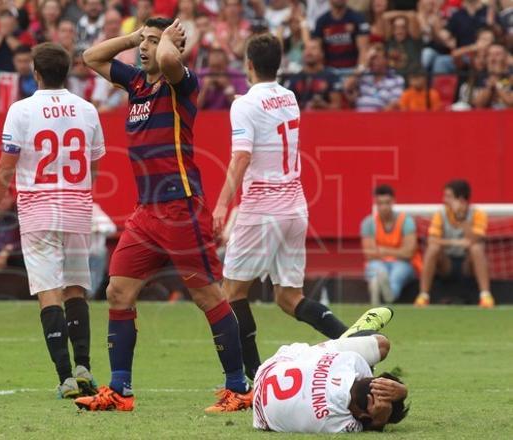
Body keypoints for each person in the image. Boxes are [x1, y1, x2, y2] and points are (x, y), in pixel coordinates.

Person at [78, 17, 251, 413]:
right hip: (145, 212)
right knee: (117, 291)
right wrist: (137, 36)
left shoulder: (182, 83)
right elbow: (90, 57)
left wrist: (167, 41)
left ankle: (238, 387)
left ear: (170, 46)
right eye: (143, 42)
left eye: (153, 42)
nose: (144, 49)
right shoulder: (136, 83)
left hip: (179, 206)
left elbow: (171, 59)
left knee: (207, 295)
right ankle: (120, 390)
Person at [213, 34, 352, 382]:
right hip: (294, 206)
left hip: (262, 207)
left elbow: (242, 156)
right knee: (289, 297)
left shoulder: (244, 104)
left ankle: (254, 378)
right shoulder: (289, 97)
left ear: (248, 64)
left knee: (231, 294)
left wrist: (220, 204)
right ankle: (354, 342)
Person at [0, 43, 105, 398]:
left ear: (35, 72)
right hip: (77, 207)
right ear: (66, 71)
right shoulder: (87, 110)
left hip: (37, 209)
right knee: (77, 288)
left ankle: (65, 377)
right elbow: (94, 165)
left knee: (49, 291)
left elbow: (6, 167)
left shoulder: (21, 110)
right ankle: (84, 366)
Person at [253, 308, 408, 433]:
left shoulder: (351, 362)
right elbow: (371, 426)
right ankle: (347, 340)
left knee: (382, 345)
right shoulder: (334, 422)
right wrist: (379, 420)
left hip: (273, 365)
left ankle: (349, 336)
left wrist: (403, 390)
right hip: (262, 408)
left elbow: (365, 383)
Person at [415, 180, 495, 308]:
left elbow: (474, 240)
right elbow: (432, 240)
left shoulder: (478, 214)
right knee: (433, 248)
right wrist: (456, 242)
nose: (444, 200)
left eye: (448, 196)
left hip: (467, 265)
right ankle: (423, 296)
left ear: (461, 199)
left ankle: (486, 296)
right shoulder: (440, 213)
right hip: (446, 264)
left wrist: (461, 217)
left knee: (476, 249)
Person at [360, 185, 421, 305]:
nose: (384, 207)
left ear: (393, 201)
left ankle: (384, 292)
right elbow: (368, 254)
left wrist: (383, 250)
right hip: (379, 262)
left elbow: (409, 253)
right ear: (376, 204)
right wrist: (397, 251)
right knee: (378, 269)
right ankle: (381, 290)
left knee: (396, 275)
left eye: (387, 203)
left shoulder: (406, 221)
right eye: (380, 203)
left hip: (402, 263)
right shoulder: (368, 223)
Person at [280, 39, 342, 110]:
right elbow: (286, 107)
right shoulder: (294, 78)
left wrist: (323, 106)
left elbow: (337, 106)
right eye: (306, 49)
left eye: (313, 48)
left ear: (322, 53)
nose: (308, 52)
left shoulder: (331, 76)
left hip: (325, 118)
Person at [312, 0, 369, 73]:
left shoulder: (358, 19)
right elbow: (317, 50)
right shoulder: (321, 21)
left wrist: (356, 75)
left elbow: (363, 51)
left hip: (352, 70)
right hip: (328, 71)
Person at [344, 44, 404, 111]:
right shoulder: (363, 75)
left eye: (377, 58)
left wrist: (376, 118)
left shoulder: (396, 79)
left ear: (386, 60)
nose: (374, 62)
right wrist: (363, 66)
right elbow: (347, 86)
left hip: (381, 117)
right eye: (372, 59)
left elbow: (394, 104)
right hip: (359, 116)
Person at [471, 44, 513, 109]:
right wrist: (490, 84)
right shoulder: (481, 75)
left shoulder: (511, 75)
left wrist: (497, 84)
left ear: (506, 57)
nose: (493, 58)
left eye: (497, 54)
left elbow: (511, 103)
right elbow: (478, 105)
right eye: (490, 55)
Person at [89, 202, 116, 297]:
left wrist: (97, 229)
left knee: (96, 277)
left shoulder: (95, 209)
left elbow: (111, 227)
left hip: (97, 252)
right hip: (78, 253)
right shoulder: (75, 211)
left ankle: (91, 296)